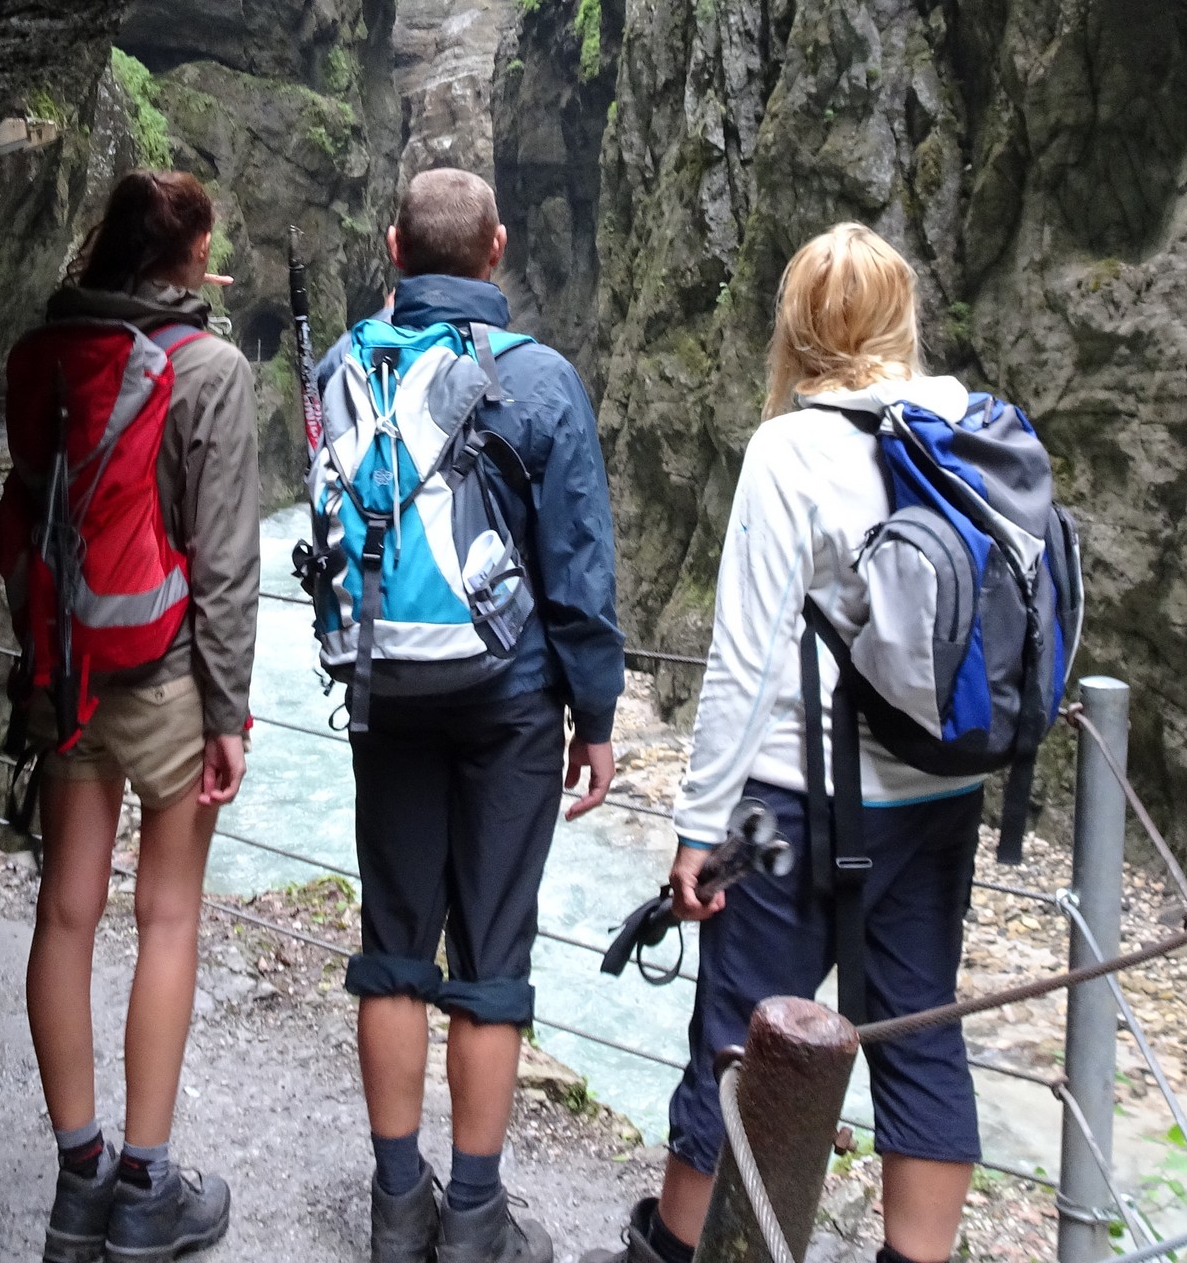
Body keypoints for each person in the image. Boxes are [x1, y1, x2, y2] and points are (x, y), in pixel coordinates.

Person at [590, 223, 982, 1263]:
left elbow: (741, 662)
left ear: (798, 327)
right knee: (919, 1037)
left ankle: (677, 1256)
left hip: (786, 812)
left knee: (737, 1043)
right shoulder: (972, 432)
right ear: (903, 320)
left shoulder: (790, 448)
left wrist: (693, 829)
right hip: (938, 798)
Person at [320, 168, 626, 1263]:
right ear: (495, 249)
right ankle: (476, 1218)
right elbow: (577, 569)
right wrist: (595, 715)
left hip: (383, 689)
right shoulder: (539, 381)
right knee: (491, 953)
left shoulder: (341, 367)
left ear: (393, 248)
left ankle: (397, 1207)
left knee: (393, 943)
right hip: (508, 703)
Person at [2, 170, 259, 1263]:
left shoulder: (47, 353)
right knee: (166, 916)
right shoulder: (210, 369)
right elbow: (228, 557)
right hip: (162, 674)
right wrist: (230, 707)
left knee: (65, 911)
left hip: (65, 668)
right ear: (190, 255)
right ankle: (147, 1190)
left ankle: (78, 1179)